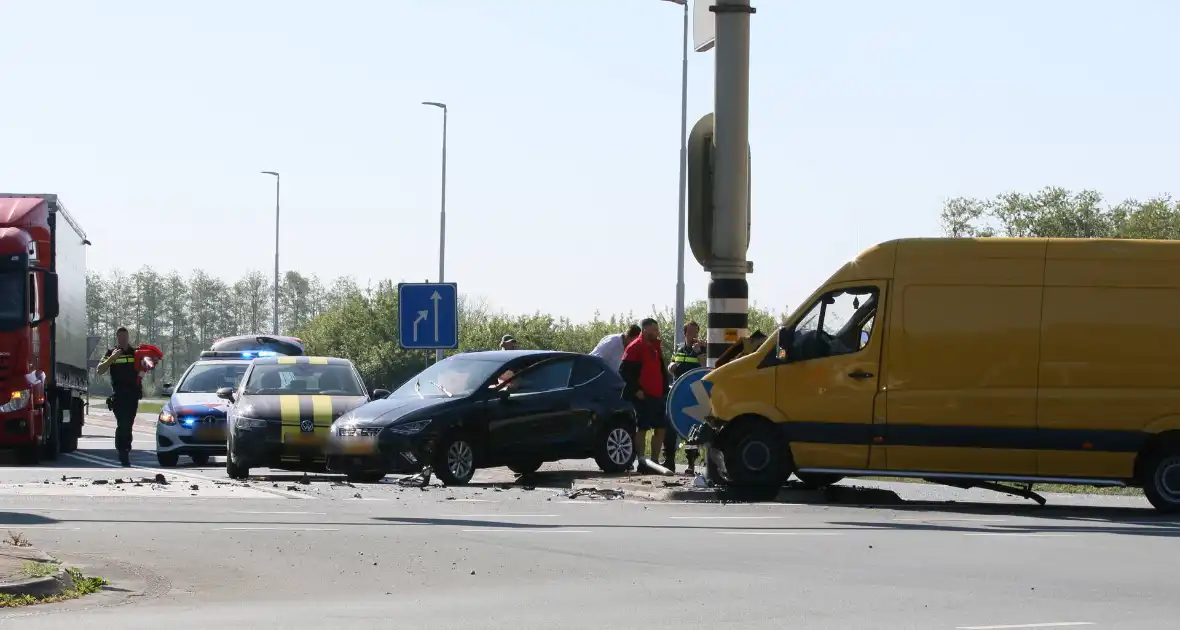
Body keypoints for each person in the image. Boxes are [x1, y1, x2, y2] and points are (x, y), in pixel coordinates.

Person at [618, 318, 671, 473]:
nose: (657, 332)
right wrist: (636, 389)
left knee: (661, 427)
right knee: (642, 427)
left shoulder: (656, 346)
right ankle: (641, 461)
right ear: (646, 330)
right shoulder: (635, 347)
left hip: (657, 394)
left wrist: (663, 389)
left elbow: (660, 369)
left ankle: (654, 461)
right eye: (654, 329)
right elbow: (624, 370)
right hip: (642, 395)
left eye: (657, 329)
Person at [664, 321, 707, 473]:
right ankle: (668, 461)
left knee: (690, 429)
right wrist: (671, 367)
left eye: (696, 332)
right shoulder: (680, 349)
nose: (693, 335)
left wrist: (698, 352)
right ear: (685, 333)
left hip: (693, 393)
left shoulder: (702, 348)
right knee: (669, 426)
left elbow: (704, 367)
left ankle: (691, 464)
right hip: (677, 392)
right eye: (690, 332)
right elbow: (672, 364)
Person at [96, 327, 141, 467]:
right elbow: (100, 370)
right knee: (123, 424)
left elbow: (147, 365)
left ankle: (126, 448)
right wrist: (112, 358)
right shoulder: (111, 353)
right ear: (117, 338)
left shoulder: (135, 353)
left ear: (128, 337)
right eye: (120, 338)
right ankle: (123, 451)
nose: (123, 340)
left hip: (133, 395)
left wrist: (149, 361)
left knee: (129, 425)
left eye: (125, 337)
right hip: (119, 395)